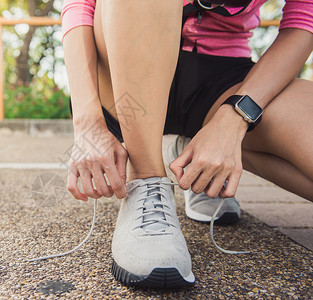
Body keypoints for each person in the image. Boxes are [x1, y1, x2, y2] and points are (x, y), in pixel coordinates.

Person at [61, 0, 313, 289]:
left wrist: (234, 120)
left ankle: (195, 158)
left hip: (225, 81)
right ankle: (147, 179)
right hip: (122, 70)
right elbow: (79, 4)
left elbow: (303, 22)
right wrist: (87, 122)